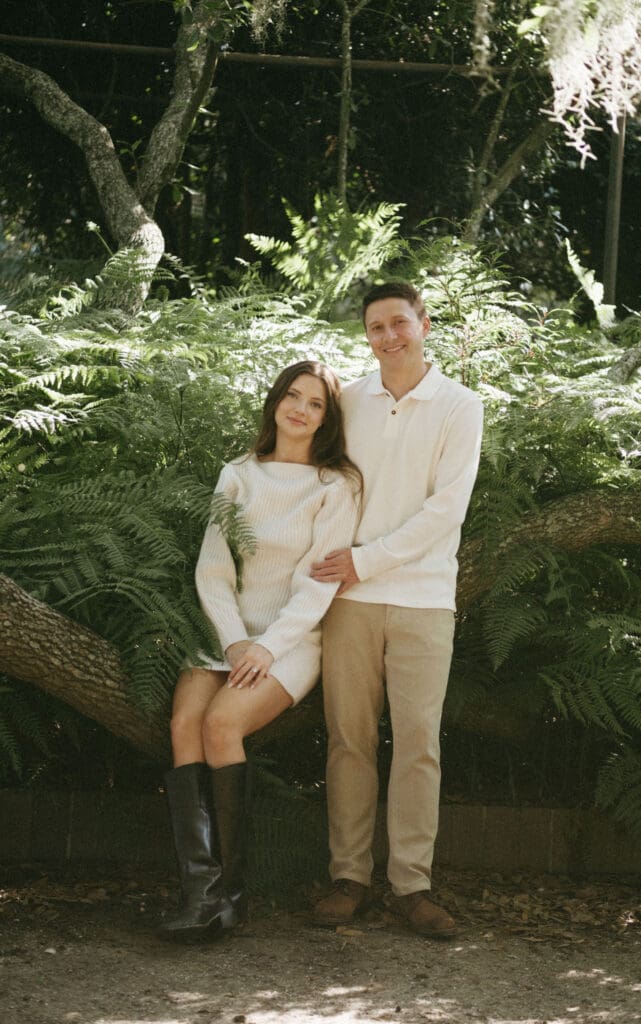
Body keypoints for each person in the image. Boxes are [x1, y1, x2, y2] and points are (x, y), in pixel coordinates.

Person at [161, 360, 361, 941]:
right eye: (292, 396)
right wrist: (235, 640)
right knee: (183, 722)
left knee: (222, 724)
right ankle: (200, 894)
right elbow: (214, 569)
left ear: (327, 418)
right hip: (228, 631)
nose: (299, 409)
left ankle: (231, 894)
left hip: (293, 640)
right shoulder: (239, 473)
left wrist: (269, 646)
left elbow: (319, 582)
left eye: (315, 403)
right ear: (276, 402)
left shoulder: (335, 486)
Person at [311, 282, 483, 939]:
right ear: (366, 335)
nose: (388, 336)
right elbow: (321, 487)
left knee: (417, 744)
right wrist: (337, 567)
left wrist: (366, 558)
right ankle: (348, 877)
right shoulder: (348, 401)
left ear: (423, 324)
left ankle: (411, 886)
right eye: (375, 327)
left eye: (398, 323)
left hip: (422, 598)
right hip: (348, 600)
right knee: (348, 740)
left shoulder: (459, 406)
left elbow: (447, 509)